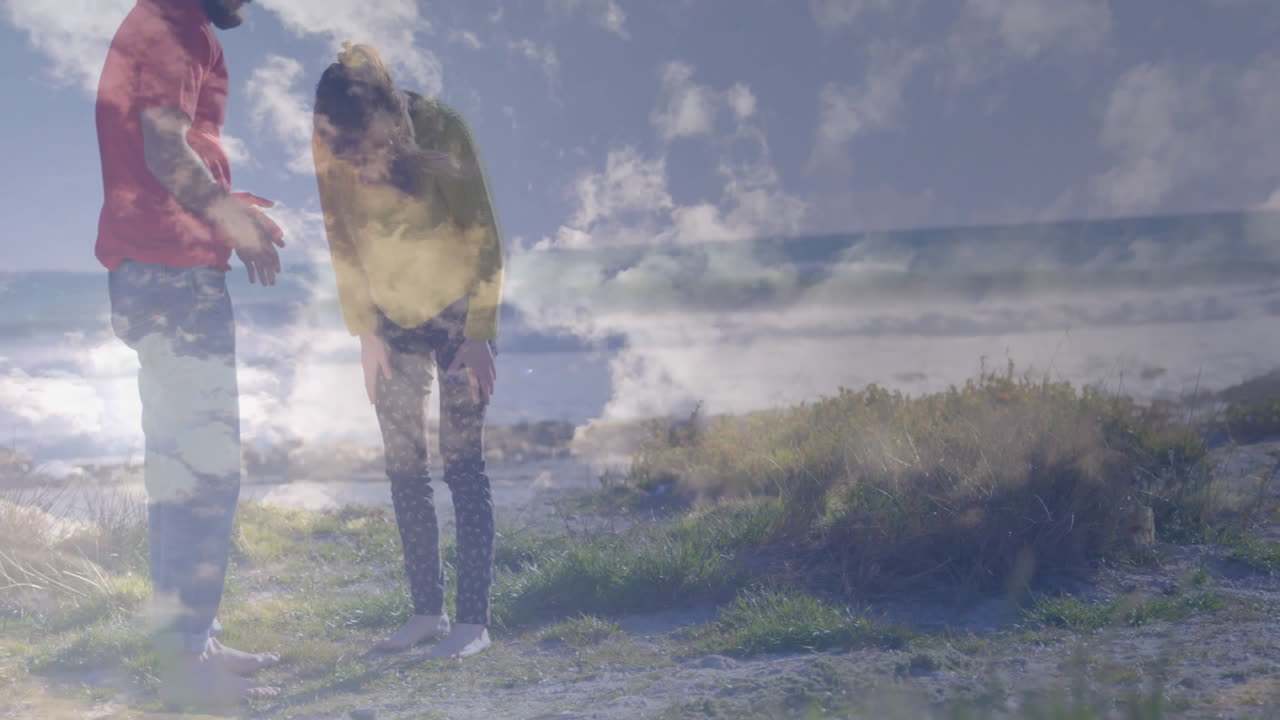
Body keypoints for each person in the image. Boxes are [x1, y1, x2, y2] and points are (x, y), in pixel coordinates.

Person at [94, 0, 286, 706]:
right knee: (205, 469)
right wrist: (230, 217)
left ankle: (191, 640)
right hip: (173, 278)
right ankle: (185, 654)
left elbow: (169, 157)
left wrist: (227, 200)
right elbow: (166, 151)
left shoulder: (160, 22)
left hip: (151, 272)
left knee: (180, 469)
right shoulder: (175, 29)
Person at [312, 43, 504, 659]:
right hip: (388, 323)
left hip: (458, 317)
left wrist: (480, 333)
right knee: (404, 472)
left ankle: (473, 624)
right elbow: (340, 239)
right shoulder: (331, 140)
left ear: (388, 113)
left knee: (463, 467)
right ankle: (426, 613)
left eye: (362, 137)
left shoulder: (442, 127)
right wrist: (364, 332)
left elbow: (485, 236)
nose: (354, 153)